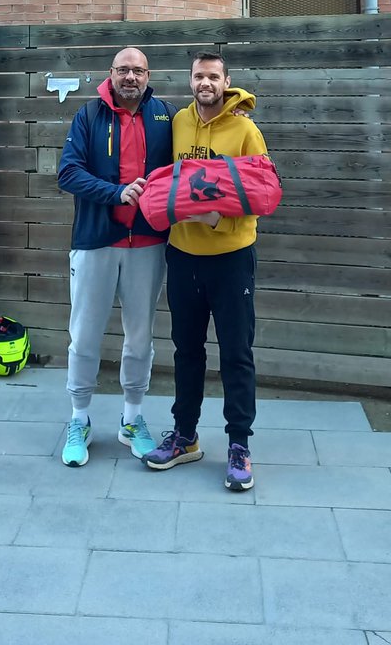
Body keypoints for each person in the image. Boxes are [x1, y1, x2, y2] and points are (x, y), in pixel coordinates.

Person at [143, 51, 267, 492]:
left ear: (227, 81)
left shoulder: (247, 131)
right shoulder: (177, 123)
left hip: (231, 257)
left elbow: (260, 194)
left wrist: (219, 220)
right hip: (182, 256)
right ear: (190, 81)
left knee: (236, 352)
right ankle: (186, 436)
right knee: (186, 350)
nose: (205, 83)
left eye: (213, 76)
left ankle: (238, 445)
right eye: (199, 76)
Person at [58, 47, 175, 467]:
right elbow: (67, 173)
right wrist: (116, 193)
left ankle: (132, 419)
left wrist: (235, 123)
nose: (131, 76)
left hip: (148, 244)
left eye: (138, 70)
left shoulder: (167, 116)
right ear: (110, 74)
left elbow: (200, 153)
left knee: (140, 338)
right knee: (85, 336)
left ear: (148, 75)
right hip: (96, 243)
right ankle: (78, 419)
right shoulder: (88, 116)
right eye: (123, 69)